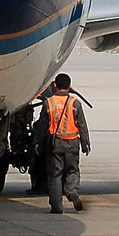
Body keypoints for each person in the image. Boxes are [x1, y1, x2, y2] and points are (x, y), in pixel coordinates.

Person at [44, 72, 90, 213]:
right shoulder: (74, 103)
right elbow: (81, 124)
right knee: (72, 170)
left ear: (55, 86)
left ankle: (57, 206)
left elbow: (42, 125)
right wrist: (85, 142)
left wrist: (37, 143)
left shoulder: (49, 102)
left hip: (56, 143)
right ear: (69, 86)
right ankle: (72, 192)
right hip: (72, 142)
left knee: (55, 175)